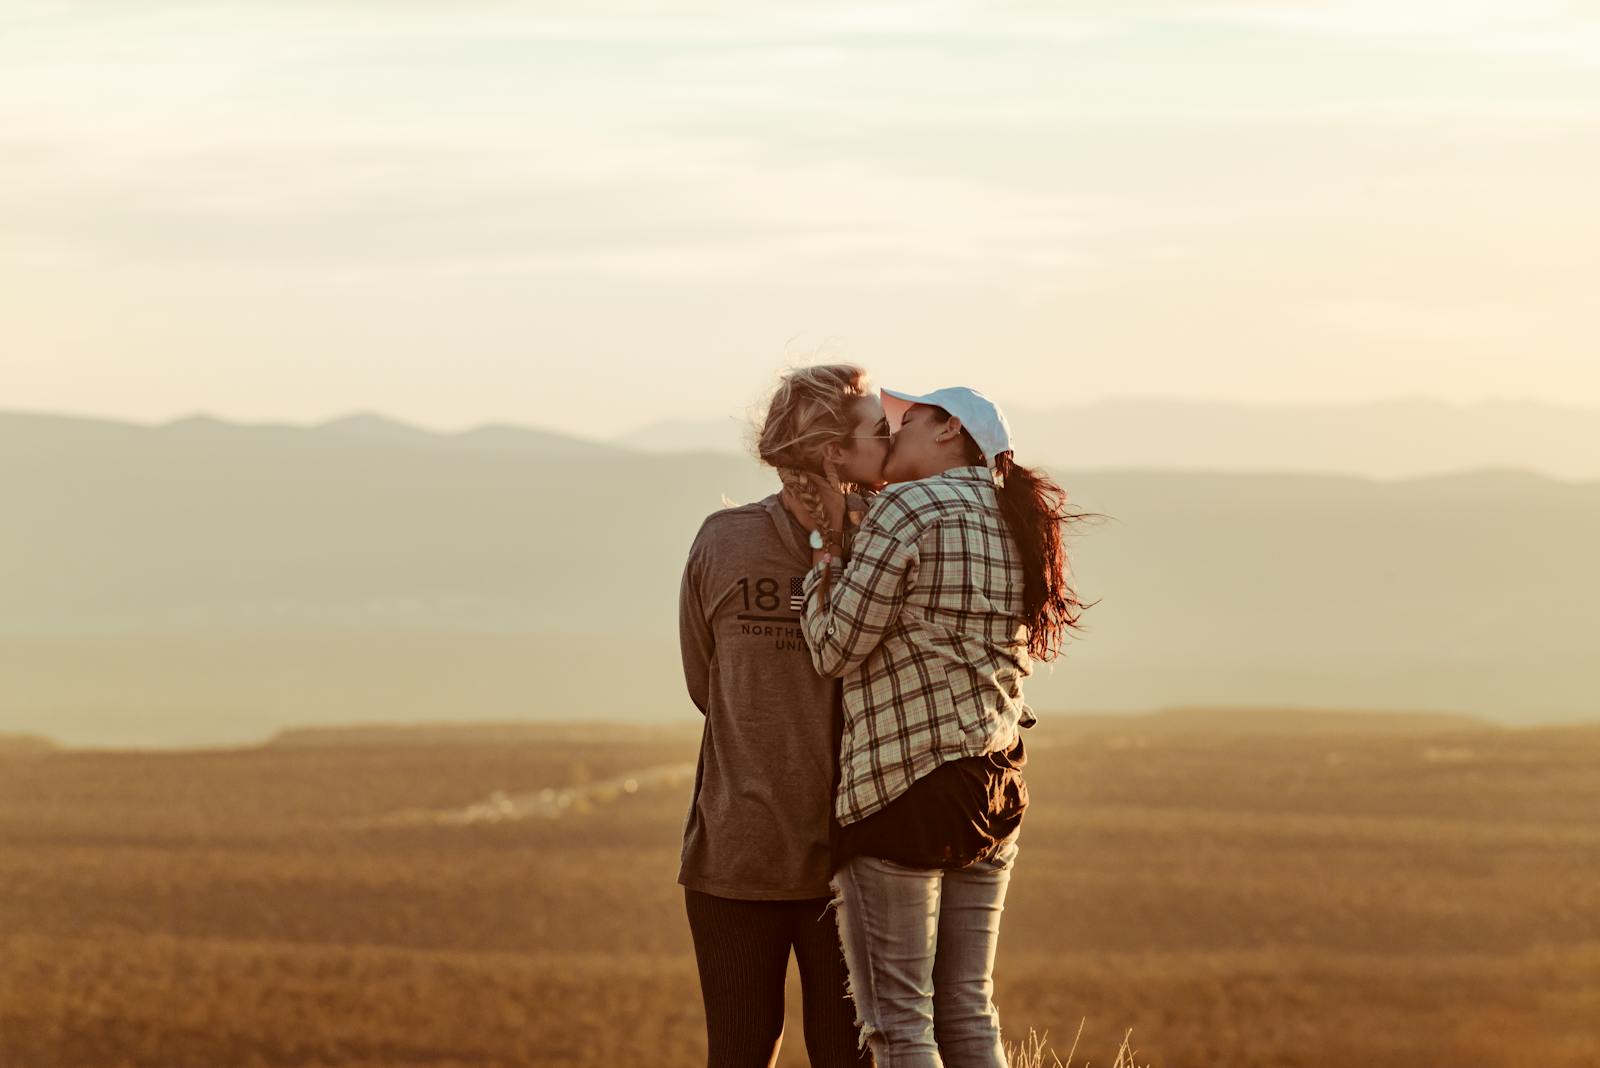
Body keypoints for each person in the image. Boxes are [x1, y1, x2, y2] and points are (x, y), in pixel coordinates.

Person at [784, 385, 1094, 1067]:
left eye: (909, 421)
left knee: (899, 1024)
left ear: (951, 429)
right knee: (969, 1010)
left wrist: (822, 569)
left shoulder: (908, 508)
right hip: (996, 783)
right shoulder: (1014, 516)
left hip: (905, 787)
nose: (893, 434)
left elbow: (834, 648)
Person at [676, 363, 893, 1067]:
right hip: (737, 860)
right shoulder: (725, 540)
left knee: (848, 1056)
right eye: (878, 429)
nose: (892, 440)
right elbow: (707, 687)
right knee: (741, 1051)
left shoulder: (890, 543)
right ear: (833, 450)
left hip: (855, 863)